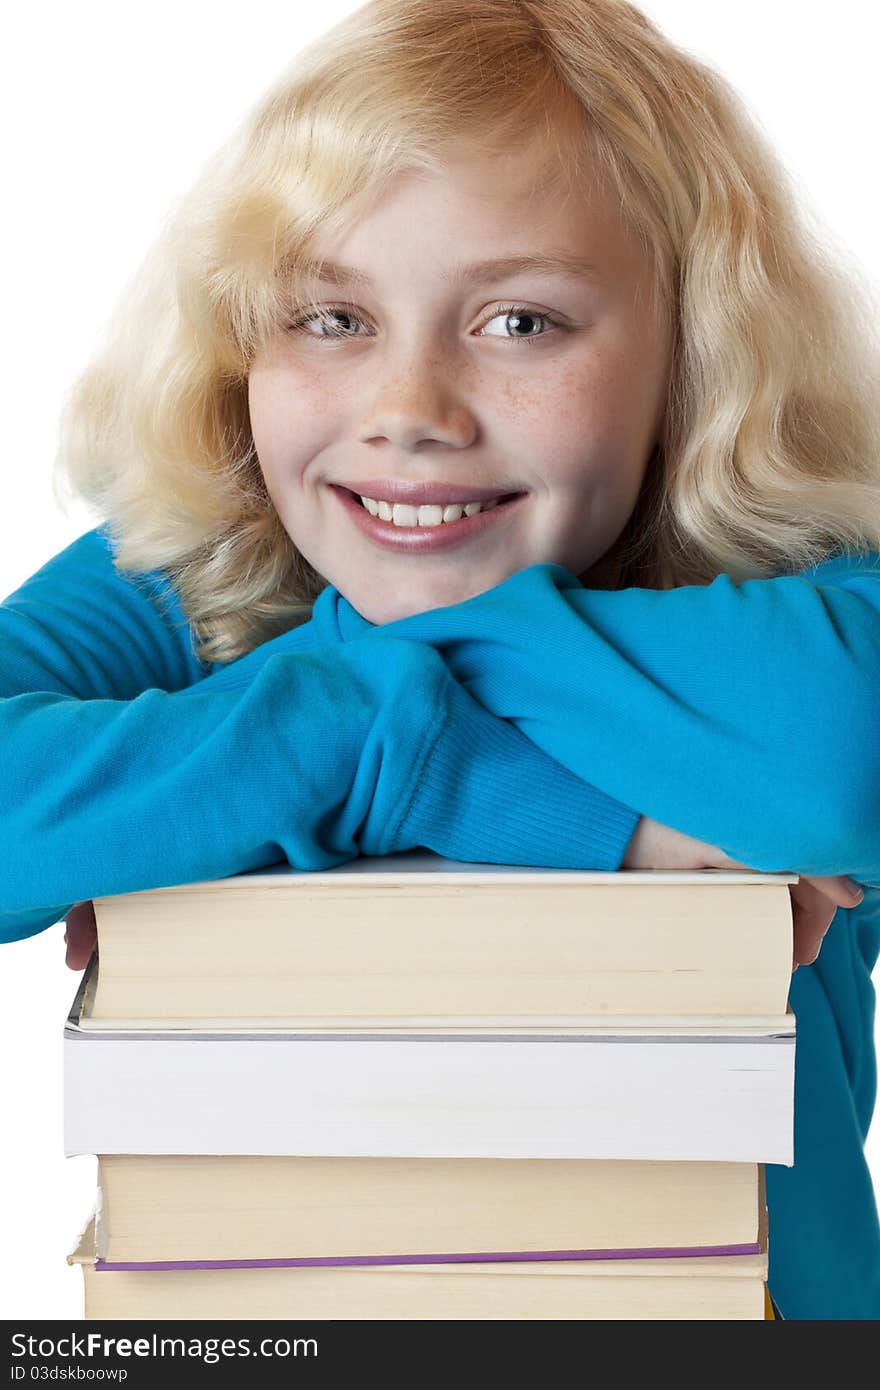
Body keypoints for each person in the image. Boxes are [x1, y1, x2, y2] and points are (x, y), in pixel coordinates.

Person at [4, 0, 880, 1318]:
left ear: (691, 355)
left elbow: (843, 759)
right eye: (331, 318)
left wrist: (332, 700)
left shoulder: (807, 584)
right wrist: (399, 738)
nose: (407, 413)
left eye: (521, 322)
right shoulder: (218, 559)